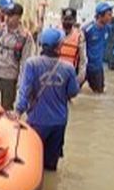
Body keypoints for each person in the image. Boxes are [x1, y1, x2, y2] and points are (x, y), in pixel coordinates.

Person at [16, 27, 80, 171]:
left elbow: (24, 91)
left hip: (36, 121)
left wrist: (18, 111)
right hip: (58, 122)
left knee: (31, 162)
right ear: (59, 47)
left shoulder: (32, 64)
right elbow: (73, 92)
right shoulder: (68, 68)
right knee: (50, 166)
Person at [81, 2, 114, 94]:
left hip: (98, 68)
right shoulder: (87, 29)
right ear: (100, 16)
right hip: (85, 67)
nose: (111, 17)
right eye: (109, 15)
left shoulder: (108, 28)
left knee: (99, 94)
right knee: (72, 92)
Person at [55, 7, 87, 86]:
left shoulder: (79, 35)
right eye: (65, 19)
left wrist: (79, 78)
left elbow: (83, 59)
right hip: (54, 72)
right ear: (61, 19)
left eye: (70, 19)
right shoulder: (55, 32)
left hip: (70, 73)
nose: (67, 22)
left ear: (74, 20)